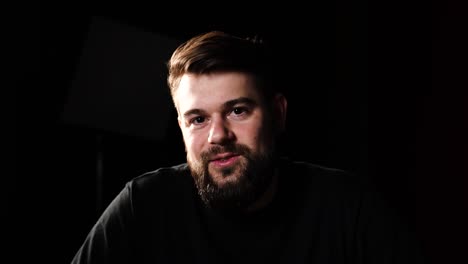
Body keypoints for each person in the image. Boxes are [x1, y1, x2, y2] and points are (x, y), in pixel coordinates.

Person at [71, 30, 425, 263]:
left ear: (278, 114)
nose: (218, 135)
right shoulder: (142, 205)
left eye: (238, 111)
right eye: (198, 119)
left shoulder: (349, 207)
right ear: (181, 127)